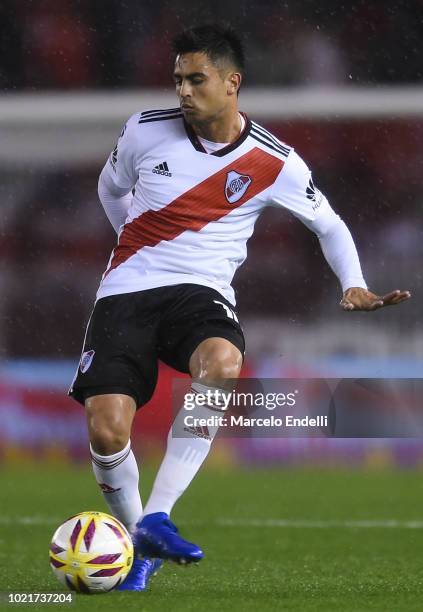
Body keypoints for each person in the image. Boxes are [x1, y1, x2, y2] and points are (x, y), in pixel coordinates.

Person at [69, 23, 411, 592]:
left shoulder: (273, 160)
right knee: (106, 431)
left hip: (201, 293)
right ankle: (138, 541)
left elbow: (327, 223)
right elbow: (110, 189)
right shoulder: (143, 131)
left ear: (233, 83)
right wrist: (133, 247)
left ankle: (157, 514)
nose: (182, 90)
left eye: (195, 79)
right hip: (127, 291)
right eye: (177, 78)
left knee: (222, 364)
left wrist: (352, 282)